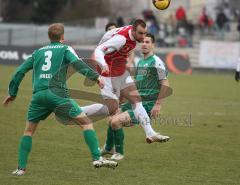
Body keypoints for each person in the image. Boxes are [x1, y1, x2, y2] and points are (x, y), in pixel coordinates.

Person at [2, 23, 118, 176]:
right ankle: (97, 158)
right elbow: (77, 64)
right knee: (86, 122)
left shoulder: (38, 52)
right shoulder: (65, 49)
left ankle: (20, 169)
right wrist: (96, 77)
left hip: (38, 96)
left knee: (29, 131)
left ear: (49, 37)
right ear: (62, 37)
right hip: (57, 94)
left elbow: (20, 71)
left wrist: (12, 92)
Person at [82, 19, 168, 153]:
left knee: (135, 99)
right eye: (140, 33)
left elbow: (111, 33)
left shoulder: (131, 34)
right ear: (133, 30)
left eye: (145, 33)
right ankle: (78, 110)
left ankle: (150, 133)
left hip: (119, 68)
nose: (143, 37)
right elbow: (99, 49)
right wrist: (102, 64)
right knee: (112, 108)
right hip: (107, 70)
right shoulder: (121, 39)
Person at [101, 33, 170, 160]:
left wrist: (158, 105)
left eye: (148, 42)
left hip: (147, 105)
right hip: (135, 101)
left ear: (153, 45)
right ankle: (109, 147)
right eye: (142, 41)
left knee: (116, 122)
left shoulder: (156, 62)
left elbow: (165, 84)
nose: (144, 44)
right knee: (111, 119)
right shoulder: (141, 61)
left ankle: (119, 153)